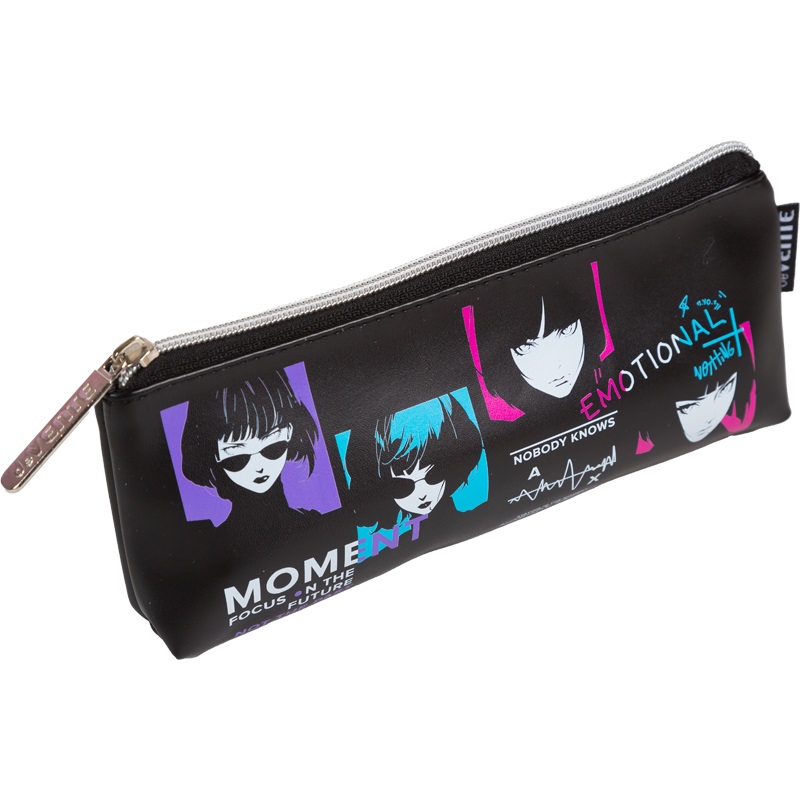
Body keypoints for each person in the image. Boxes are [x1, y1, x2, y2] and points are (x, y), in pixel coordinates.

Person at [181, 371, 320, 527]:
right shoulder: (215, 541)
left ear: (289, 431)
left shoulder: (316, 523)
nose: (259, 467)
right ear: (213, 454)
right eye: (238, 457)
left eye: (272, 448)